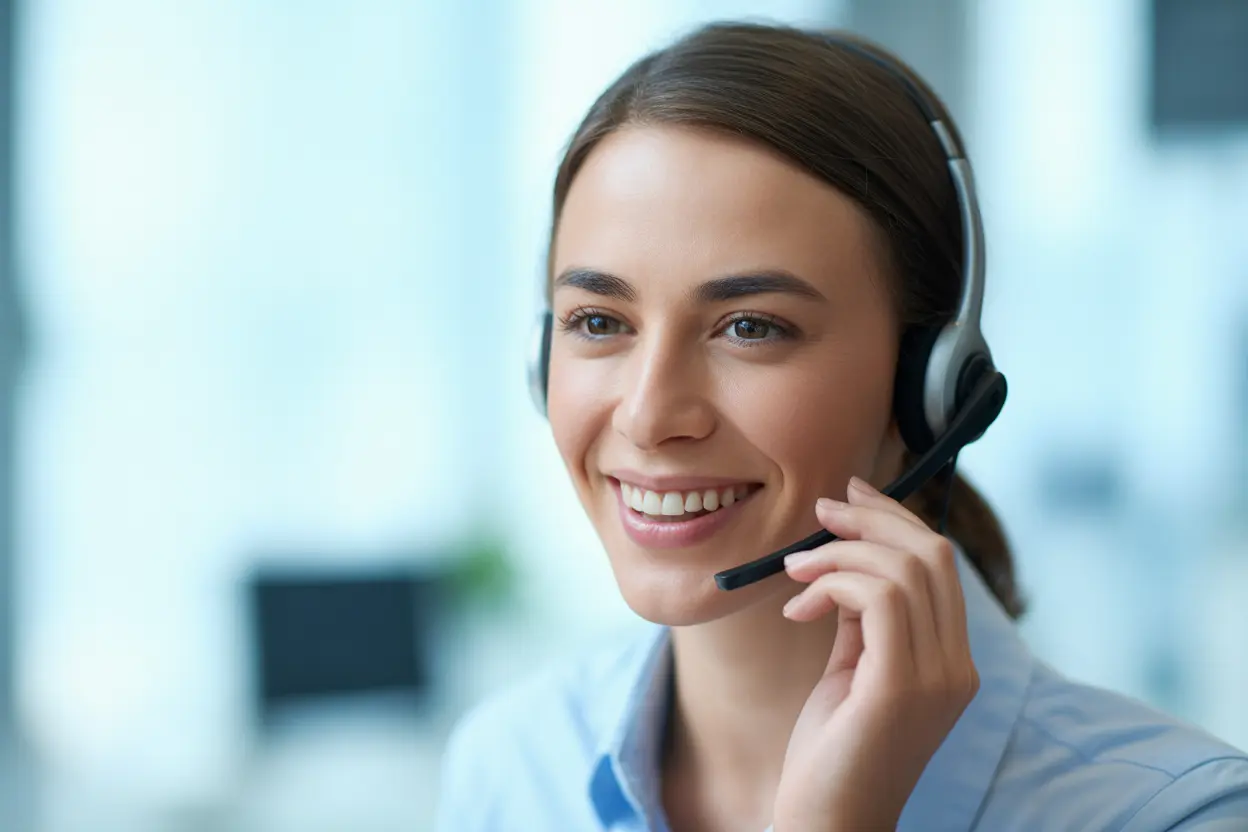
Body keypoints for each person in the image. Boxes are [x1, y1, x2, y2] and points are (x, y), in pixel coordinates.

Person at [435, 21, 1248, 831]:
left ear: (928, 385)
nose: (649, 416)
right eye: (599, 321)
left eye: (750, 327)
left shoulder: (1174, 814)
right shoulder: (510, 769)